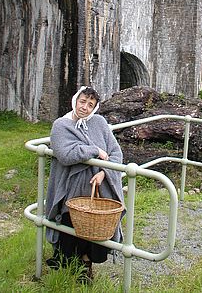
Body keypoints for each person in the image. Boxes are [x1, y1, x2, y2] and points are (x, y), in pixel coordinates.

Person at [45, 86, 124, 280]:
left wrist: (104, 173)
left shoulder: (99, 122)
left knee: (96, 228)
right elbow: (65, 154)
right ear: (75, 100)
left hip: (98, 189)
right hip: (71, 189)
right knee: (70, 226)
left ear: (95, 108)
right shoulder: (61, 125)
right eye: (82, 102)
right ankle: (69, 260)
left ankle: (86, 264)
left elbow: (116, 153)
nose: (85, 108)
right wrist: (95, 151)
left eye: (91, 105)